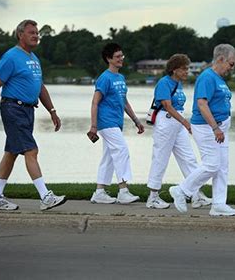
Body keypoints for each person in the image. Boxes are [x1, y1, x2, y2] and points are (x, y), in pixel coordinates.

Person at [0, 19, 66, 211]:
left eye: (37, 33)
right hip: (13, 109)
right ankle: (45, 196)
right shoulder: (11, 57)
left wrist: (52, 111)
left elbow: (39, 86)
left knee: (11, 153)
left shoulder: (33, 58)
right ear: (20, 35)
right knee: (31, 150)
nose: (36, 35)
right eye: (32, 32)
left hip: (28, 110)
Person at [169, 44, 235, 216]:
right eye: (231, 63)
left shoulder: (219, 78)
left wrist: (220, 127)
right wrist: (215, 127)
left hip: (220, 128)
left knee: (222, 167)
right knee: (212, 165)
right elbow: (202, 104)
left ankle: (219, 204)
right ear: (221, 59)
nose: (232, 67)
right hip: (207, 127)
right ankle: (182, 190)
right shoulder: (207, 77)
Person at [146, 54, 212, 209]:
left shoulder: (179, 84)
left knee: (189, 158)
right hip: (166, 121)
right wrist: (185, 122)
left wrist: (183, 122)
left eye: (187, 68)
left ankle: (196, 195)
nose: (186, 72)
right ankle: (153, 197)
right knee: (160, 157)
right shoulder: (164, 83)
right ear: (174, 70)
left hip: (178, 122)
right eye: (184, 69)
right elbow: (167, 106)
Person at [87, 42, 144, 204]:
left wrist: (136, 120)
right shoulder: (104, 78)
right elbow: (95, 102)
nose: (121, 59)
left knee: (110, 157)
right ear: (108, 59)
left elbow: (124, 101)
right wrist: (93, 126)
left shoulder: (120, 77)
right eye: (117, 57)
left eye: (122, 56)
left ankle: (99, 192)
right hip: (106, 122)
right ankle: (123, 190)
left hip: (117, 122)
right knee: (122, 150)